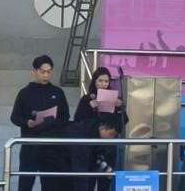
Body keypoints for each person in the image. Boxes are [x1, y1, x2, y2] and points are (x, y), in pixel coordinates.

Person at [10, 54, 70, 191]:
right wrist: (27, 123)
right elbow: (14, 117)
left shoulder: (57, 92)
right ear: (35, 71)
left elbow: (65, 116)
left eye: (49, 72)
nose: (46, 75)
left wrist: (52, 122)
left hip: (51, 146)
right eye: (42, 72)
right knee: (25, 184)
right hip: (30, 144)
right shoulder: (25, 93)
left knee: (50, 185)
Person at [73, 67, 125, 180]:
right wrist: (89, 108)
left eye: (106, 81)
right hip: (91, 145)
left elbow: (124, 120)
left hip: (108, 145)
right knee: (90, 180)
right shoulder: (87, 99)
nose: (103, 84)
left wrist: (120, 108)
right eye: (100, 81)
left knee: (105, 181)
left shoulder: (115, 99)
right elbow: (77, 119)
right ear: (95, 81)